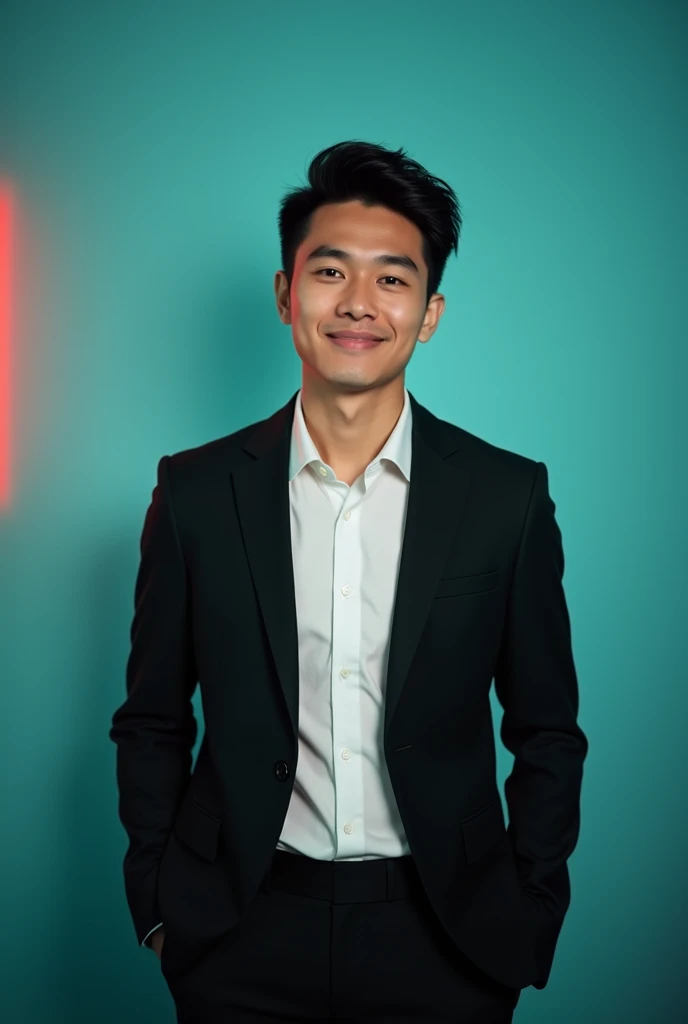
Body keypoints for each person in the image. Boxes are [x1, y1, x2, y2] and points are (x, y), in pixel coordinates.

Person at [110, 139, 588, 1023]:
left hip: (449, 935)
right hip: (241, 931)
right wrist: (159, 908)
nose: (359, 303)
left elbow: (549, 731)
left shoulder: (506, 497)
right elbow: (150, 719)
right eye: (330, 272)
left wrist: (530, 911)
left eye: (393, 279)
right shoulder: (194, 492)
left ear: (431, 312)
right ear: (288, 295)